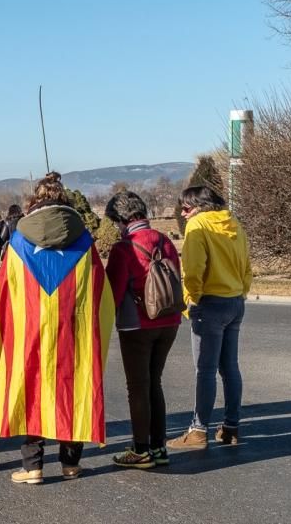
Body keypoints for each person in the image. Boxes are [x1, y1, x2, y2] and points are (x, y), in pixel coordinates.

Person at [0, 172, 115, 485]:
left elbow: (3, 291)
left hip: (29, 330)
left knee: (30, 387)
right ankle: (71, 463)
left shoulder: (18, 241)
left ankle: (33, 467)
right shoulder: (84, 241)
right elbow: (100, 291)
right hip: (73, 332)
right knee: (74, 386)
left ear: (35, 201)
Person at [167, 186, 251, 450]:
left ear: (199, 206)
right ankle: (231, 427)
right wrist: (241, 291)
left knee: (205, 370)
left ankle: (198, 430)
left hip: (209, 303)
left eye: (186, 208)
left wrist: (191, 300)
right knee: (230, 367)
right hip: (235, 300)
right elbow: (246, 265)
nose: (183, 213)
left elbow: (192, 269)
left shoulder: (198, 225)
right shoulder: (233, 222)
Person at [104, 191, 183, 468]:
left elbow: (113, 294)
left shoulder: (123, 249)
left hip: (136, 324)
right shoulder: (165, 240)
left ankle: (140, 449)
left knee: (137, 386)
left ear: (121, 219)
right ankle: (159, 447)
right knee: (155, 383)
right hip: (169, 320)